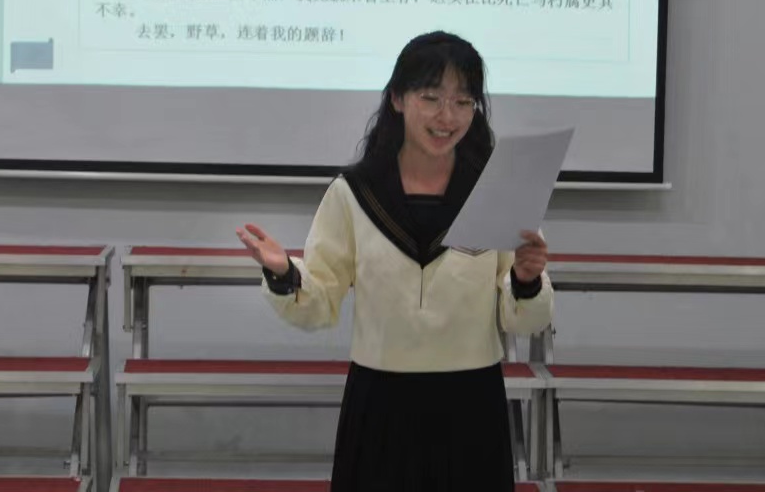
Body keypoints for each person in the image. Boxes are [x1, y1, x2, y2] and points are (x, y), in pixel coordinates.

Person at [236, 31, 553, 492]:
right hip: (381, 401)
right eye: (431, 98)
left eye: (463, 102)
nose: (447, 116)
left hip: (471, 403)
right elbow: (319, 302)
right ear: (398, 99)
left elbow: (523, 318)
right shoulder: (354, 193)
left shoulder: (497, 190)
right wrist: (284, 272)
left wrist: (526, 280)